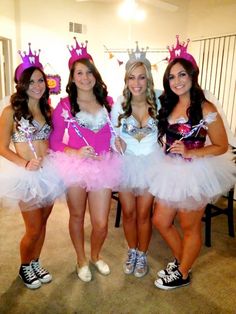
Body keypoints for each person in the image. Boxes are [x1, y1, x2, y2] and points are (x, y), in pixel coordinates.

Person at [149, 36, 236, 290]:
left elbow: (221, 146)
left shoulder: (205, 107)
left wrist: (190, 152)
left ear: (192, 76)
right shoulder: (169, 104)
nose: (177, 81)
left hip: (195, 171)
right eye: (172, 77)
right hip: (169, 169)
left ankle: (183, 273)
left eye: (182, 75)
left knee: (189, 226)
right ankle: (182, 260)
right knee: (161, 221)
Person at [49, 38, 121, 282]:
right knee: (77, 216)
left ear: (95, 75)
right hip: (76, 167)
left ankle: (95, 255)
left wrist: (117, 143)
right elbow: (55, 141)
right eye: (79, 73)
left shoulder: (109, 103)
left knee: (100, 223)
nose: (85, 77)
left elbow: (115, 133)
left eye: (89, 72)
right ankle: (80, 259)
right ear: (72, 77)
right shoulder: (64, 106)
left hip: (104, 166)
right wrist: (75, 152)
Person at [0, 43, 64, 289]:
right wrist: (25, 163)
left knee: (44, 222)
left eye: (41, 81)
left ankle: (35, 261)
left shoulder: (48, 109)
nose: (37, 86)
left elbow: (53, 140)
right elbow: (2, 147)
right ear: (22, 84)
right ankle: (24, 266)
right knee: (33, 228)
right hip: (25, 174)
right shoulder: (10, 111)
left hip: (49, 172)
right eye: (31, 81)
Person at [111, 51, 159, 278]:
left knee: (144, 214)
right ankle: (132, 251)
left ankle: (143, 253)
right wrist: (115, 143)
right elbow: (113, 136)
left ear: (148, 79)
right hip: (126, 164)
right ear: (126, 80)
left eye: (141, 77)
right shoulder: (119, 105)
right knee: (128, 213)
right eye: (131, 77)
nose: (136, 83)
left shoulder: (159, 101)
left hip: (151, 164)